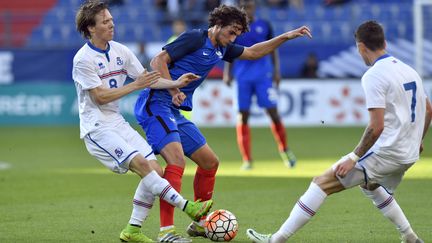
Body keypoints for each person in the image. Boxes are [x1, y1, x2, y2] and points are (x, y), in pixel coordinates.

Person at [134, 4, 311, 242]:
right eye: (232, 31)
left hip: (174, 110)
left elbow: (254, 52)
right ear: (218, 24)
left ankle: (198, 223)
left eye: (238, 33)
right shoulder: (196, 38)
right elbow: (158, 61)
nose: (234, 37)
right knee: (176, 161)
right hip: (156, 104)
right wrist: (175, 88)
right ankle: (166, 232)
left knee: (209, 162)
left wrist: (286, 36)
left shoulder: (221, 48)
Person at [246, 20, 432, 243]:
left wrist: (353, 158)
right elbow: (428, 109)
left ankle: (276, 240)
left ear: (361, 47)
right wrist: (418, 140)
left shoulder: (374, 75)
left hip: (388, 152)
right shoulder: (408, 69)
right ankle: (410, 237)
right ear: (384, 42)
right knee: (370, 184)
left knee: (321, 183)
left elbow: (376, 126)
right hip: (408, 153)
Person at [72, 1, 211, 242]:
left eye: (111, 19)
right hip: (96, 128)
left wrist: (174, 84)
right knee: (144, 167)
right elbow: (100, 97)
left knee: (155, 170)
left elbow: (147, 79)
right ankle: (187, 207)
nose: (111, 24)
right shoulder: (83, 60)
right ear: (91, 28)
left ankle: (132, 231)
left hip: (116, 123)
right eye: (105, 21)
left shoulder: (121, 51)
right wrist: (135, 85)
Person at [223, 0, 297, 170]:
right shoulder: (235, 29)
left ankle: (285, 150)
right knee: (243, 116)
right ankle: (247, 159)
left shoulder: (264, 25)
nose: (247, 9)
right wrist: (228, 72)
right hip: (242, 77)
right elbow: (229, 49)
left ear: (254, 7)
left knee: (273, 113)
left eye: (249, 6)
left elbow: (273, 48)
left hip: (263, 76)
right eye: (244, 7)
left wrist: (277, 71)